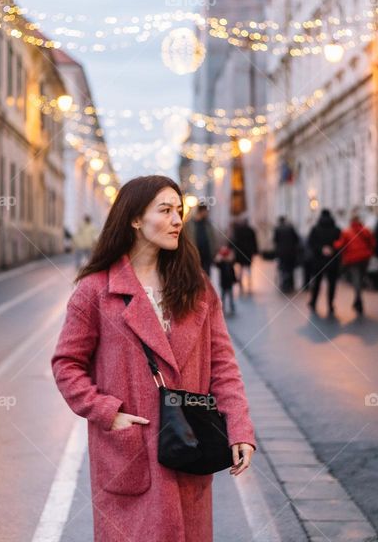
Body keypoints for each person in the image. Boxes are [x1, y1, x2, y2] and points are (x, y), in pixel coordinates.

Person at [51, 175, 256, 542]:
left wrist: (239, 427)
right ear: (134, 219)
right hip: (131, 454)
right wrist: (107, 413)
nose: (178, 220)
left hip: (188, 450)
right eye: (165, 211)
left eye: (180, 211)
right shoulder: (96, 291)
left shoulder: (196, 289)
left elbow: (222, 365)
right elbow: (67, 365)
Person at [333, 209, 376, 315]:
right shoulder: (366, 230)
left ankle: (358, 300)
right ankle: (358, 299)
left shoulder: (346, 232)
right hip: (364, 258)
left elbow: (340, 245)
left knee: (356, 279)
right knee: (360, 277)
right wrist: (369, 252)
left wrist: (333, 244)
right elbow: (373, 243)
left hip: (353, 259)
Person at [306, 209, 341, 316]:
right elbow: (341, 244)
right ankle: (330, 304)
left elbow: (310, 243)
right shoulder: (336, 230)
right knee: (332, 284)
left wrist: (321, 249)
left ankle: (313, 301)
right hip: (332, 261)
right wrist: (332, 250)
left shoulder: (315, 229)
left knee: (317, 282)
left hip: (318, 261)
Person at [184, 203, 226, 275]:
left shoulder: (208, 224)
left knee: (207, 275)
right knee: (195, 275)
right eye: (206, 211)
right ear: (201, 211)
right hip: (195, 255)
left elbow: (213, 238)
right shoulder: (189, 224)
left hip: (207, 255)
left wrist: (214, 251)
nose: (207, 213)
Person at [230, 216, 259, 295]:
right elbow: (254, 242)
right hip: (248, 253)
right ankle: (248, 283)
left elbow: (233, 242)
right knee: (248, 269)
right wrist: (255, 251)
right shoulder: (250, 231)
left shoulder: (238, 231)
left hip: (240, 254)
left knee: (241, 269)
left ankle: (241, 283)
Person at [272, 216, 300, 294]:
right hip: (291, 252)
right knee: (290, 269)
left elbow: (275, 240)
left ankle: (284, 284)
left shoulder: (277, 229)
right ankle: (290, 284)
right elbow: (296, 239)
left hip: (281, 253)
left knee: (283, 268)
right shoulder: (290, 228)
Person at [214, 245, 237, 316]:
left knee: (230, 296)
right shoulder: (221, 263)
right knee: (223, 296)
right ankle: (222, 308)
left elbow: (233, 272)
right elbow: (216, 262)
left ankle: (232, 307)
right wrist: (219, 257)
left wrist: (234, 280)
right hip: (224, 283)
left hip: (229, 283)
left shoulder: (230, 263)